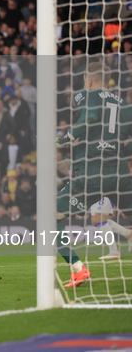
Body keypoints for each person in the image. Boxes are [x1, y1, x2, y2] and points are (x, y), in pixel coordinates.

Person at [56, 62, 132, 287]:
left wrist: (65, 138)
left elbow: (89, 117)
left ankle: (78, 269)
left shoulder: (86, 94)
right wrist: (118, 149)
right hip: (120, 176)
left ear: (88, 80)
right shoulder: (126, 106)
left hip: (90, 175)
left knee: (51, 218)